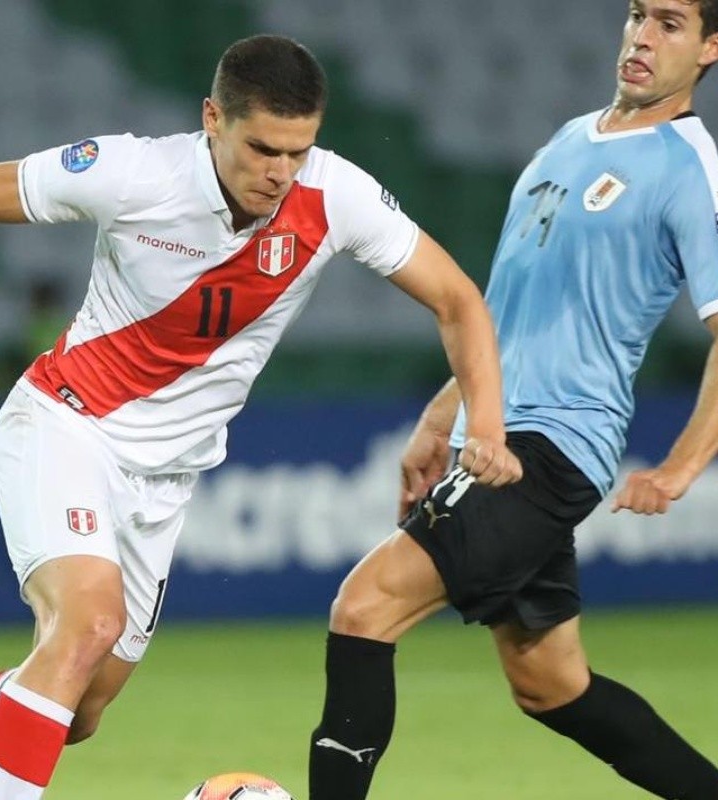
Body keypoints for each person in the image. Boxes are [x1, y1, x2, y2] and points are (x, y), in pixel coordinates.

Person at [0, 34, 521, 800]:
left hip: (165, 476)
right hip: (66, 425)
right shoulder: (133, 173)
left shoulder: (334, 198)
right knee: (85, 627)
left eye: (299, 151)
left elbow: (459, 299)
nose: (281, 172)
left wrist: (488, 427)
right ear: (213, 118)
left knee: (80, 708)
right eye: (264, 148)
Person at [308, 1, 718, 798]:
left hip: (552, 447)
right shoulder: (567, 141)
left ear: (711, 47)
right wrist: (442, 416)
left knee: (364, 609)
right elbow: (502, 310)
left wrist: (682, 464)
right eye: (636, 14)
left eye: (670, 23)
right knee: (550, 683)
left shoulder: (690, 168)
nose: (640, 36)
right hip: (497, 433)